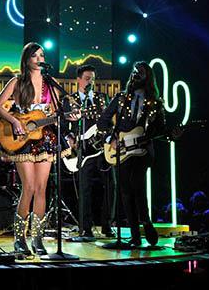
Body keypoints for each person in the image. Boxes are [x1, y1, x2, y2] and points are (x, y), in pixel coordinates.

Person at [0, 42, 78, 255]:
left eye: (42, 55)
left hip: (45, 136)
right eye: (35, 56)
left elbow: (57, 113)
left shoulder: (51, 83)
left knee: (42, 188)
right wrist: (14, 121)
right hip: (23, 138)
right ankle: (19, 239)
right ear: (27, 59)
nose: (40, 59)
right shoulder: (17, 81)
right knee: (28, 187)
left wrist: (69, 116)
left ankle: (37, 239)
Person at [97, 61, 165, 247]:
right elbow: (102, 121)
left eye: (141, 72)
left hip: (142, 151)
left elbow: (161, 129)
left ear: (148, 76)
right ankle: (135, 235)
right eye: (135, 71)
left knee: (137, 185)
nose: (136, 74)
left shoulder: (155, 103)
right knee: (125, 191)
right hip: (122, 151)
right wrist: (111, 137)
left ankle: (146, 221)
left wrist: (169, 133)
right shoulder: (121, 98)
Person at [65, 65, 115, 238]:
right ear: (78, 80)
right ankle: (85, 228)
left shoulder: (103, 98)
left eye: (92, 78)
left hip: (103, 147)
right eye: (87, 78)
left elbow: (109, 122)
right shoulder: (69, 100)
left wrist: (110, 137)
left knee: (110, 186)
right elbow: (63, 126)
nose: (90, 82)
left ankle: (107, 225)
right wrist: (70, 138)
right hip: (84, 150)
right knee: (85, 188)